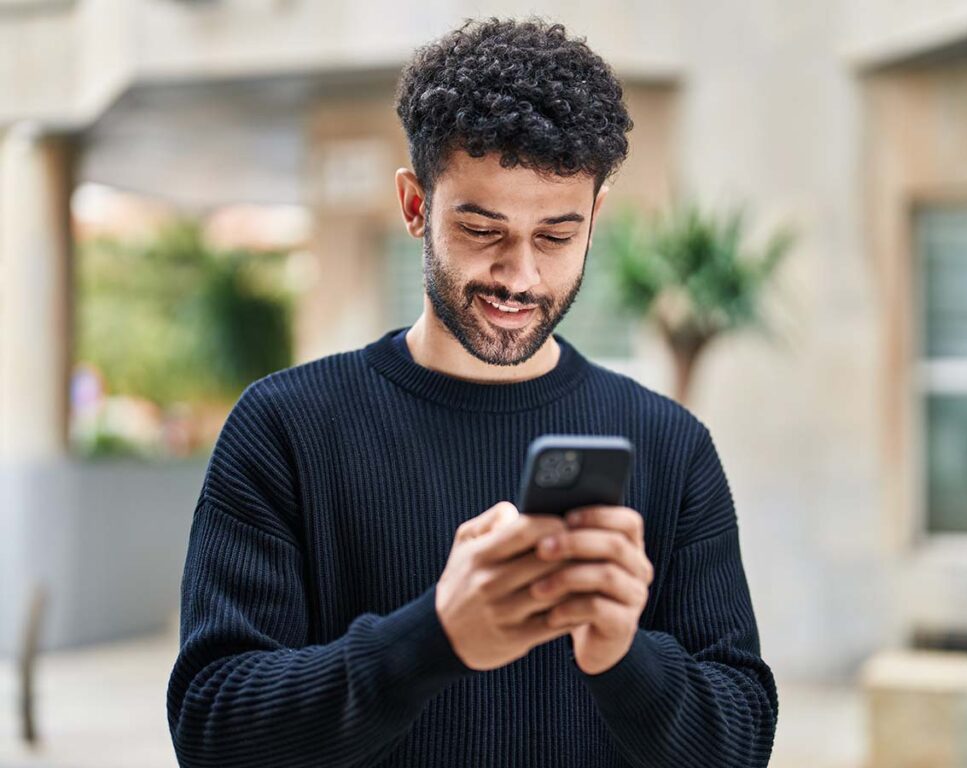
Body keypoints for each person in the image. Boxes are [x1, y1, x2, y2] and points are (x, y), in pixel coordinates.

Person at [166, 16, 777, 768]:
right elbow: (212, 729)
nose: (520, 276)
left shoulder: (671, 447)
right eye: (483, 229)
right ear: (416, 205)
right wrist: (433, 638)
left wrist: (625, 657)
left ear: (596, 218)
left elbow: (742, 743)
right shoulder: (284, 429)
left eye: (556, 236)